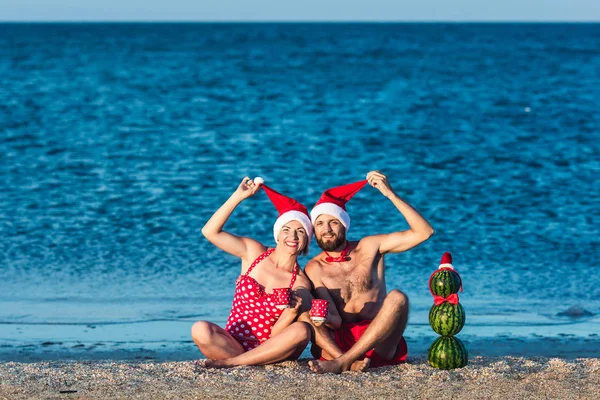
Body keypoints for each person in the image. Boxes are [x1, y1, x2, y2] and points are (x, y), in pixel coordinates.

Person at [303, 170, 434, 373]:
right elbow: (334, 321)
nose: (326, 229)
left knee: (398, 298)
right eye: (319, 224)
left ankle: (343, 362)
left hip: (379, 340)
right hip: (340, 343)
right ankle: (345, 360)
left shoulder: (370, 246)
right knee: (304, 314)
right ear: (314, 230)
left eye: (333, 222)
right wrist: (324, 317)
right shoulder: (314, 267)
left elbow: (424, 232)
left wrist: (390, 194)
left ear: (344, 225)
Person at [191, 177, 313, 368]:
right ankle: (238, 360)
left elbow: (275, 335)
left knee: (301, 330)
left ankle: (235, 363)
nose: (293, 236)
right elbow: (210, 232)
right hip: (231, 343)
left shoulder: (300, 282)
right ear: (278, 234)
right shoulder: (254, 252)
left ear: (307, 240)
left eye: (301, 231)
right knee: (200, 329)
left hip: (269, 350)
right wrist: (237, 197)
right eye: (287, 229)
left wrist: (291, 313)